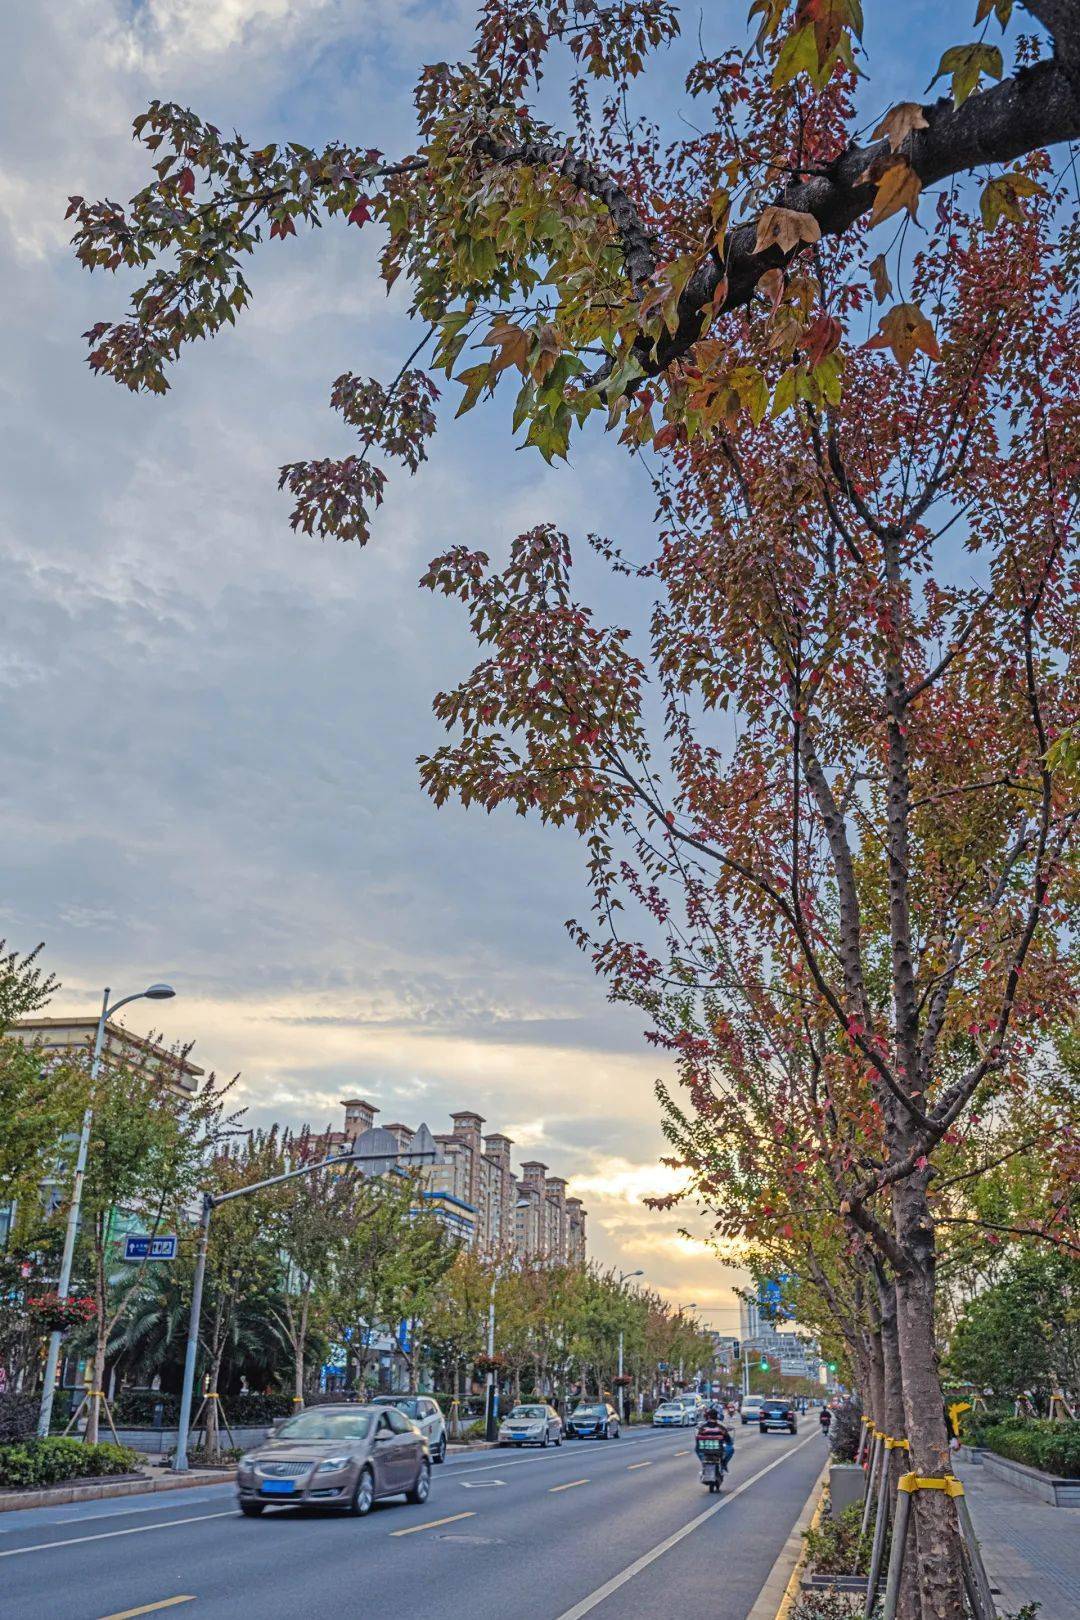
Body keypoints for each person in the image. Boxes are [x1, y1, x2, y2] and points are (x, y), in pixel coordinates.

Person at [696, 1406, 734, 1473]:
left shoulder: (703, 1428)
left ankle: (703, 1463)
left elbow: (698, 1440)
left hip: (705, 1451)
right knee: (731, 1449)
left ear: (708, 1417)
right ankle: (724, 1464)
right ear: (716, 1417)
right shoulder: (721, 1428)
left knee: (697, 1449)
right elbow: (728, 1440)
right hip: (718, 1451)